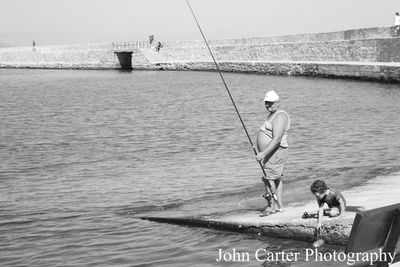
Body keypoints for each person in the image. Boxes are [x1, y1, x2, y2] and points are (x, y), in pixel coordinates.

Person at [256, 90, 290, 215]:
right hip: (272, 154)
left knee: (269, 178)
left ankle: (271, 207)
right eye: (266, 103)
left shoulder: (280, 116)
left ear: (277, 102)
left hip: (275, 152)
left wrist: (263, 154)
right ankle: (278, 206)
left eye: (271, 103)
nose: (268, 105)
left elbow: (276, 140)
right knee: (275, 178)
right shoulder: (273, 114)